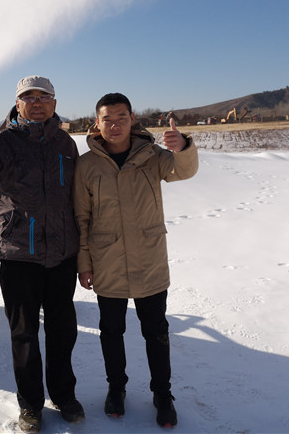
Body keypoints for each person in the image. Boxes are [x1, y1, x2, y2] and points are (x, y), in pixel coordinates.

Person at [0, 76, 84, 433]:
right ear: (18, 103)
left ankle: (63, 395)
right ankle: (30, 406)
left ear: (55, 103)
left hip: (61, 255)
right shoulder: (2, 143)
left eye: (44, 97)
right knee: (24, 336)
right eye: (29, 97)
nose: (37, 102)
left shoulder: (66, 144)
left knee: (62, 332)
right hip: (19, 255)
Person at [73, 93, 198, 428]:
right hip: (107, 259)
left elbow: (183, 171)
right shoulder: (86, 165)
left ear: (132, 119)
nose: (114, 125)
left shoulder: (152, 156)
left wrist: (183, 146)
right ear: (96, 123)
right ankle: (116, 389)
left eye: (121, 118)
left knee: (156, 331)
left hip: (148, 257)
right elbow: (81, 218)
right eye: (107, 119)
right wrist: (83, 263)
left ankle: (162, 394)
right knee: (111, 331)